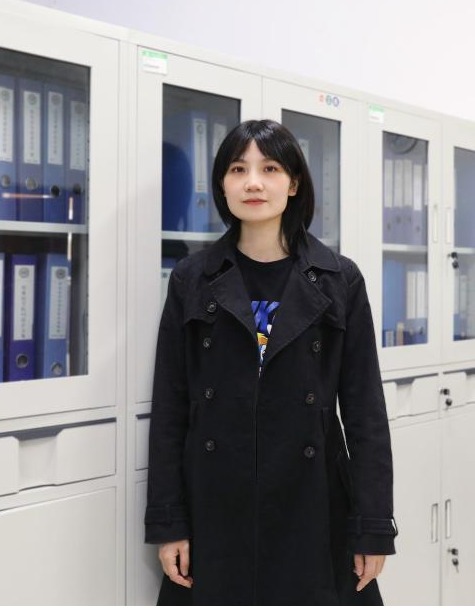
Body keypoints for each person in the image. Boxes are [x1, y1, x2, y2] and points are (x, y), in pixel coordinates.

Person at [145, 119, 397, 606]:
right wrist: (169, 523)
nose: (253, 183)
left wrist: (372, 526)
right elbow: (171, 409)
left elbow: (366, 413)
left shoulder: (339, 279)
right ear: (222, 184)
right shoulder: (192, 279)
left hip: (313, 502)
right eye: (238, 169)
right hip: (215, 502)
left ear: (294, 182)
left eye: (270, 169)